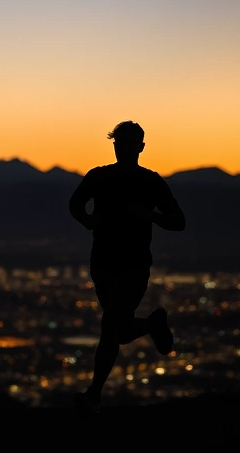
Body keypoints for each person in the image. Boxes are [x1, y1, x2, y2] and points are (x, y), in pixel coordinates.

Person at [69, 121, 186, 413]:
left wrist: (152, 216)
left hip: (134, 266)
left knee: (110, 327)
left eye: (130, 142)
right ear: (114, 146)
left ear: (141, 147)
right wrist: (87, 220)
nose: (124, 147)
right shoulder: (98, 176)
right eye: (120, 142)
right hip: (103, 264)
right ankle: (152, 323)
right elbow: (75, 204)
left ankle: (94, 393)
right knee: (118, 331)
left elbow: (179, 221)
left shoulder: (152, 182)